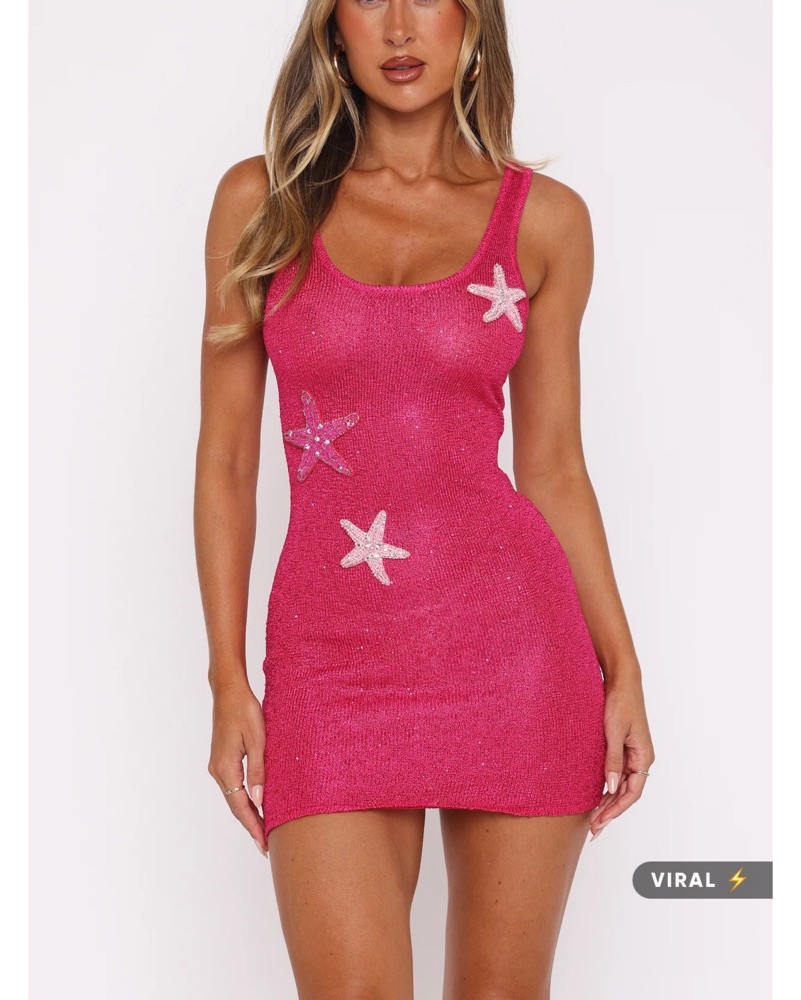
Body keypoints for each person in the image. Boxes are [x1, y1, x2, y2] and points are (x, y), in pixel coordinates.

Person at [194, 0, 655, 996]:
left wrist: (622, 667)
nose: (399, 26)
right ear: (332, 26)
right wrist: (227, 677)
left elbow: (554, 467)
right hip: (331, 664)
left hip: (517, 657)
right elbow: (226, 459)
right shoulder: (261, 204)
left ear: (472, 20)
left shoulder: (545, 220)